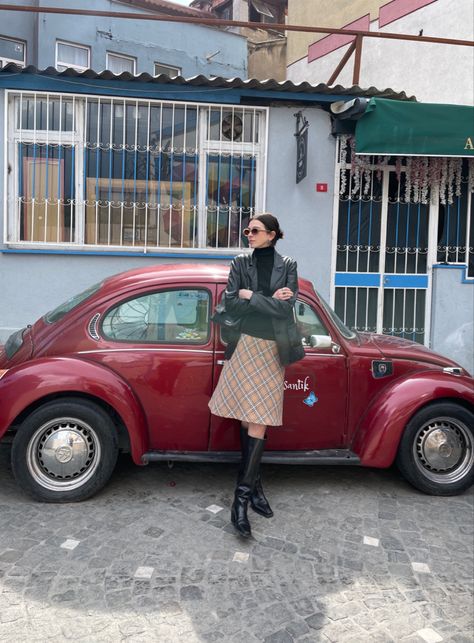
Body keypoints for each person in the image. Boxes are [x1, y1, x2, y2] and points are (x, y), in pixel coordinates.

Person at [209, 213, 302, 538]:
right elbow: (230, 305)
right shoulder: (240, 263)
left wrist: (252, 297)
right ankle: (255, 489)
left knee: (258, 419)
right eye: (248, 230)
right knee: (249, 421)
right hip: (245, 346)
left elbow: (285, 310)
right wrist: (258, 299)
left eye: (255, 230)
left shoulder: (288, 265)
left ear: (272, 234)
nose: (248, 234)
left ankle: (240, 500)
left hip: (271, 351)